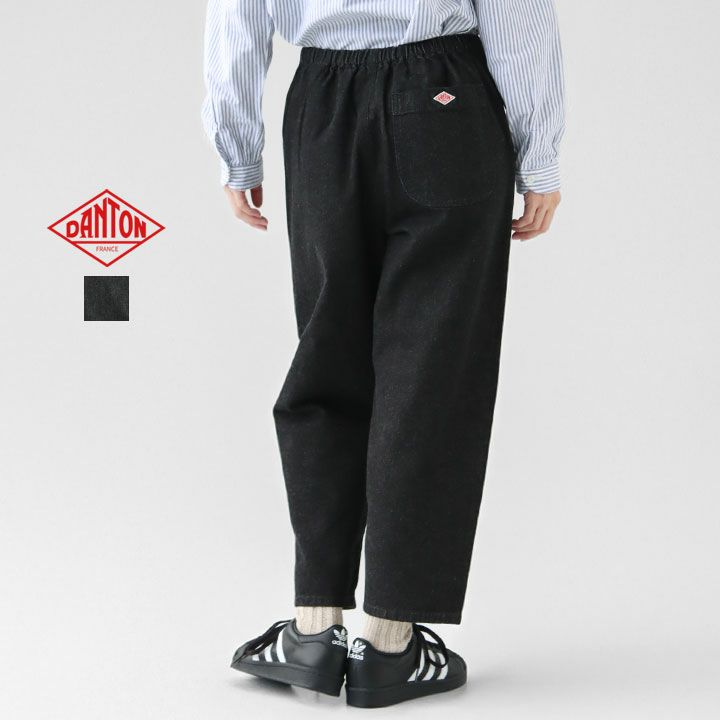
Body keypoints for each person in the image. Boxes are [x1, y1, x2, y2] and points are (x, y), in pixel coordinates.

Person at [202, 0, 564, 708]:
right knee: (432, 373)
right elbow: (516, 16)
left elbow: (236, 18)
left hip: (323, 109)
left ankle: (313, 631)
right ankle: (389, 644)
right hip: (445, 101)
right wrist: (539, 155)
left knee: (326, 356)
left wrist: (235, 145)